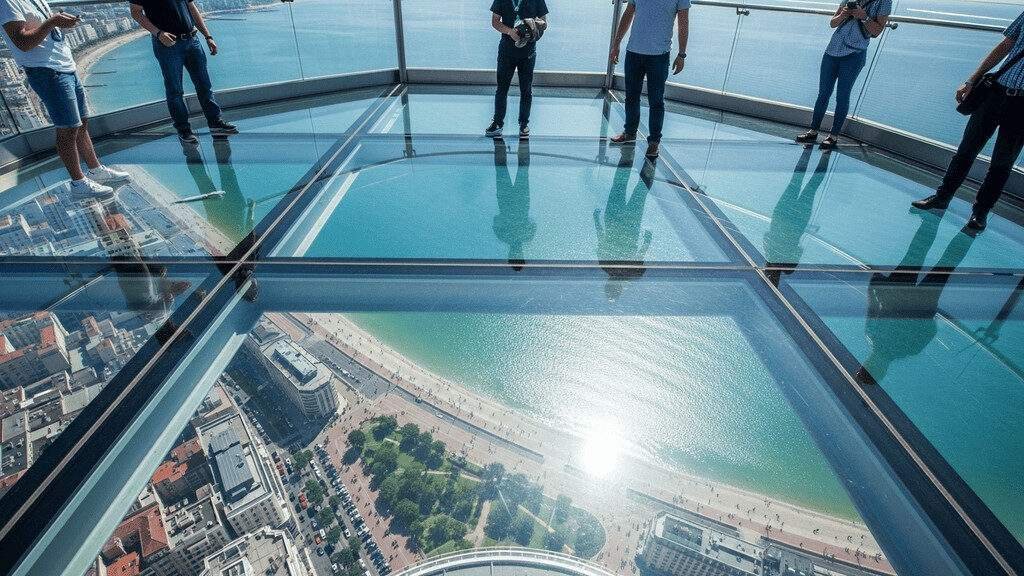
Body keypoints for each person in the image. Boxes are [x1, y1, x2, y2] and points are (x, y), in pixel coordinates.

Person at [0, 0, 129, 196]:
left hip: (66, 66)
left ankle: (95, 170)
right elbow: (23, 43)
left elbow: (43, 31)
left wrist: (58, 23)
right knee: (68, 128)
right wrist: (52, 22)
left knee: (81, 123)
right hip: (46, 71)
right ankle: (78, 183)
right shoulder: (7, 3)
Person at [911, 12, 1024, 232]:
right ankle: (942, 197)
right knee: (966, 149)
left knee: (1002, 163)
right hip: (995, 93)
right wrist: (972, 79)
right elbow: (1005, 45)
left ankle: (980, 214)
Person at [130, 0, 236, 145]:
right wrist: (159, 33)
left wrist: (208, 36)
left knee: (204, 86)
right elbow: (135, 12)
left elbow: (191, 8)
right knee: (175, 91)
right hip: (167, 45)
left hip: (192, 40)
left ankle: (216, 123)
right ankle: (184, 131)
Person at [795, 0, 891, 151]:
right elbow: (833, 23)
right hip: (832, 51)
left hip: (854, 54)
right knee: (823, 93)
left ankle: (833, 136)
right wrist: (844, 14)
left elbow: (877, 31)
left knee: (842, 95)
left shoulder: (884, 1)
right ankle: (813, 131)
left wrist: (863, 16)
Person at [609, 0, 689, 159]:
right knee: (631, 96)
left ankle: (654, 142)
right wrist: (616, 44)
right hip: (633, 52)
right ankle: (630, 132)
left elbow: (683, 22)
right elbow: (628, 13)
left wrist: (681, 54)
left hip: (659, 56)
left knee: (656, 101)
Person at [485, 0, 549, 140]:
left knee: (526, 90)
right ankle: (497, 123)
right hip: (506, 51)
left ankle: (524, 124)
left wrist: (532, 28)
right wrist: (509, 31)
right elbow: (495, 21)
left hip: (528, 53)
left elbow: (544, 23)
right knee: (502, 89)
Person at [492, 138, 536, 271]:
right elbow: (497, 219)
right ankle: (504, 141)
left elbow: (532, 223)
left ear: (510, 254)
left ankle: (519, 140)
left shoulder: (528, 235)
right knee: (505, 170)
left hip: (518, 202)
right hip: (509, 202)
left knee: (515, 170)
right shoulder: (503, 235)